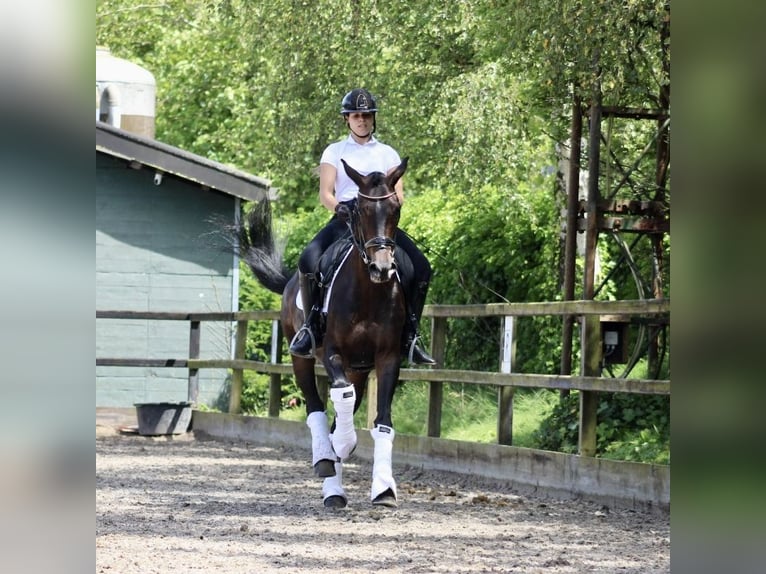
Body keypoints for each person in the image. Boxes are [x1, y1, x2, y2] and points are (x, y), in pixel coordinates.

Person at [289, 88, 435, 365]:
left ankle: (412, 335)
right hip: (345, 218)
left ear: (373, 118)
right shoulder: (335, 151)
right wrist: (339, 208)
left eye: (367, 115)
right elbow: (326, 193)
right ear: (347, 119)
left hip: (378, 224)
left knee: (421, 266)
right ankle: (311, 327)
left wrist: (385, 208)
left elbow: (399, 194)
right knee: (308, 259)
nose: (362, 120)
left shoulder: (387, 153)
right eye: (356, 115)